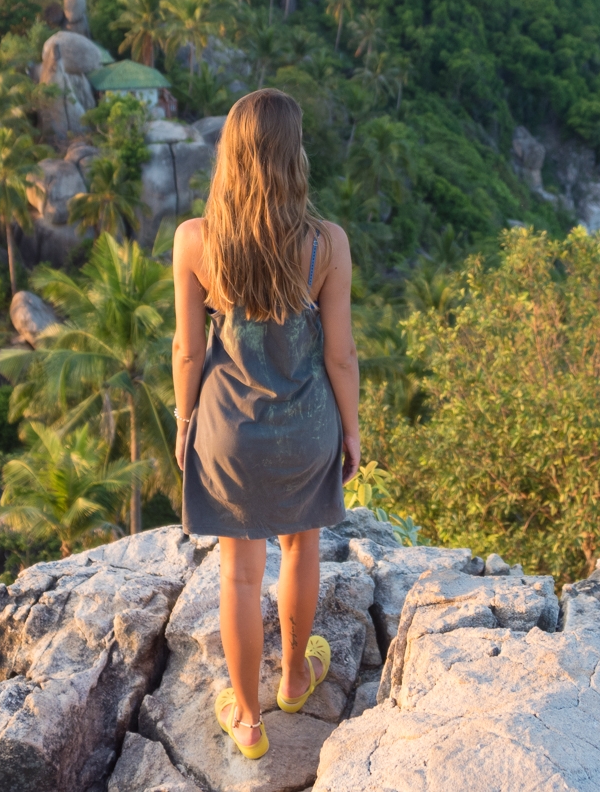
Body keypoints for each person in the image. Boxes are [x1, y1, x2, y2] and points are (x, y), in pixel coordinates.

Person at [172, 88, 362, 761]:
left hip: (227, 433)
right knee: (301, 547)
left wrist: (183, 419)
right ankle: (293, 678)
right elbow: (339, 354)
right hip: (307, 426)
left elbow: (190, 351)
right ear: (293, 156)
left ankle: (248, 722)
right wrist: (353, 432)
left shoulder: (195, 241)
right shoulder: (326, 244)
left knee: (239, 575)